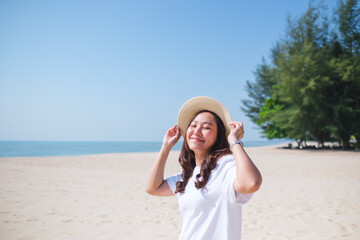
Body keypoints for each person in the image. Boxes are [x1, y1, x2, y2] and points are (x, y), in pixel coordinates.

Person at [146, 96, 262, 240]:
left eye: (206, 127)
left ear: (219, 136)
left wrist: (233, 141)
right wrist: (165, 147)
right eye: (193, 126)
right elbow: (153, 188)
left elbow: (251, 183)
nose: (197, 131)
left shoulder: (226, 166)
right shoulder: (187, 176)